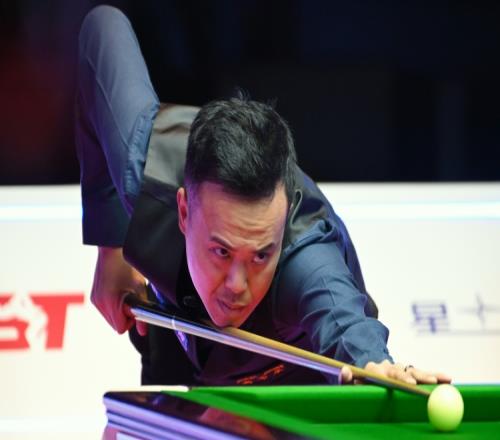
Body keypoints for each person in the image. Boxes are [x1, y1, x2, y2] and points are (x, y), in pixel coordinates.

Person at [76, 5, 450, 386]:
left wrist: (373, 362)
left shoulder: (307, 262)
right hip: (183, 330)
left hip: (293, 370)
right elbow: (101, 28)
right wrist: (111, 247)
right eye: (221, 252)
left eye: (260, 255)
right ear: (185, 211)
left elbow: (344, 322)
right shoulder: (144, 173)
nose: (237, 286)